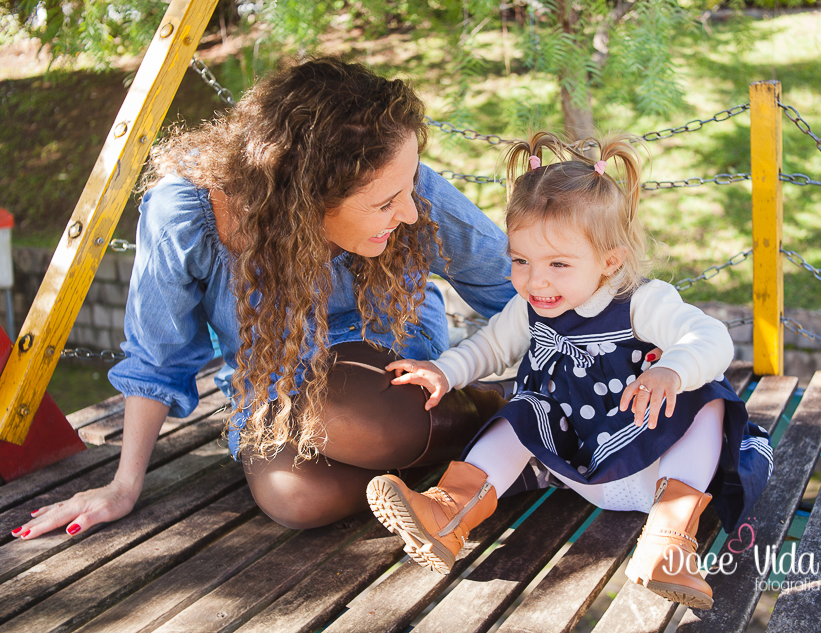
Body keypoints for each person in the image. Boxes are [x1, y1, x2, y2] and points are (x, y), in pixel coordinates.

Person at [10, 57, 518, 541]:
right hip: (273, 385)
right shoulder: (185, 215)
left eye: (407, 189)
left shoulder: (396, 177)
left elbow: (510, 281)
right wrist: (124, 486)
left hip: (392, 363)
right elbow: (156, 357)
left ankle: (515, 415)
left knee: (341, 412)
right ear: (303, 196)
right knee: (295, 498)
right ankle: (457, 458)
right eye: (385, 203)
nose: (407, 212)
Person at [366, 131, 774, 610]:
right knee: (522, 411)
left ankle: (668, 543)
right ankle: (448, 513)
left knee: (706, 400)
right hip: (577, 461)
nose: (536, 280)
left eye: (559, 263)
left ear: (609, 261)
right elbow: (490, 346)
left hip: (658, 466)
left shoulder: (641, 301)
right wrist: (444, 370)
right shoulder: (532, 305)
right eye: (520, 260)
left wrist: (672, 372)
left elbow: (712, 339)